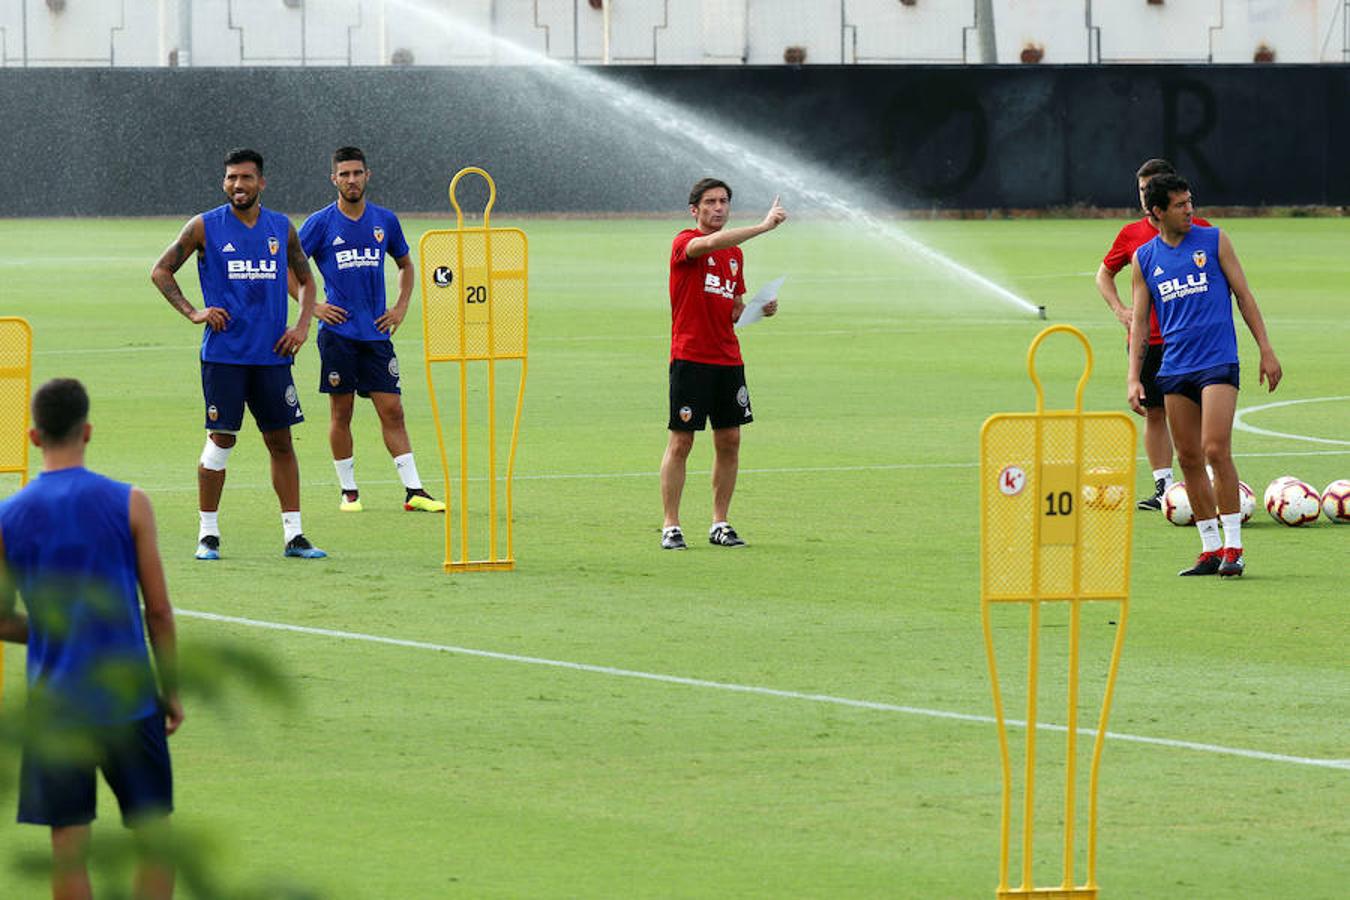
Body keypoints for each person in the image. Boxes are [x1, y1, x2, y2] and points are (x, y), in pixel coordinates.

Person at [0, 378, 182, 900]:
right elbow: (161, 613)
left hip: (55, 707)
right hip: (128, 700)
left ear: (35, 437)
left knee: (68, 847)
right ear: (88, 431)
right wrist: (169, 690)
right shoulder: (131, 503)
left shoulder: (8, 518)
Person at [150, 148, 327, 560]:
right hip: (224, 357)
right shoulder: (204, 227)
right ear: (224, 183)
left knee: (281, 442)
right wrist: (193, 311)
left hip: (272, 357)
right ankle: (208, 534)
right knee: (221, 440)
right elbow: (161, 270)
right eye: (231, 178)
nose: (237, 185)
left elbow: (306, 279)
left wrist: (302, 326)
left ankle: (294, 536)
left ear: (261, 183)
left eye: (246, 178)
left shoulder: (281, 228)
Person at [1128, 174, 1282, 577]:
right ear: (1157, 212)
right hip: (1174, 368)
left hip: (1217, 362)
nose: (1189, 210)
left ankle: (1234, 547)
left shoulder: (1214, 241)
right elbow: (1140, 324)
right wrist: (1133, 377)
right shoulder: (1144, 259)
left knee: (1215, 450)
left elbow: (1244, 297)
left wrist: (1266, 349)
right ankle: (1210, 549)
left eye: (1190, 201)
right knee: (1190, 458)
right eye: (1180, 205)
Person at [291, 146, 444, 514]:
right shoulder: (320, 223)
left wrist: (401, 307)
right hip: (339, 335)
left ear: (367, 176)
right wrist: (312, 306)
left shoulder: (384, 221)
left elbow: (406, 265)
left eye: (357, 173)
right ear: (334, 179)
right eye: (344, 174)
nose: (351, 180)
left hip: (377, 333)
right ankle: (349, 492)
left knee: (392, 410)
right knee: (341, 413)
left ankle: (414, 491)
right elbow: (286, 268)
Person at [660, 178, 786, 550]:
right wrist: (763, 227)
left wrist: (759, 310)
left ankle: (720, 522)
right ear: (694, 210)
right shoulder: (685, 243)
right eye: (711, 202)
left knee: (730, 440)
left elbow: (733, 309)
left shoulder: (735, 257)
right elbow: (710, 243)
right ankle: (671, 525)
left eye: (724, 202)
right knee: (682, 441)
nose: (719, 208)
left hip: (728, 359)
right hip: (691, 358)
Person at [1095, 158, 1212, 511]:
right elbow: (1103, 274)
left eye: (1150, 189)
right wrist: (1120, 310)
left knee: (1201, 414)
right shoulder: (1131, 235)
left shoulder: (1201, 230)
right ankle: (1164, 487)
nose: (1144, 196)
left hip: (1189, 341)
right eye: (1141, 190)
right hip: (1149, 343)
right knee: (1155, 413)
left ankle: (1207, 482)